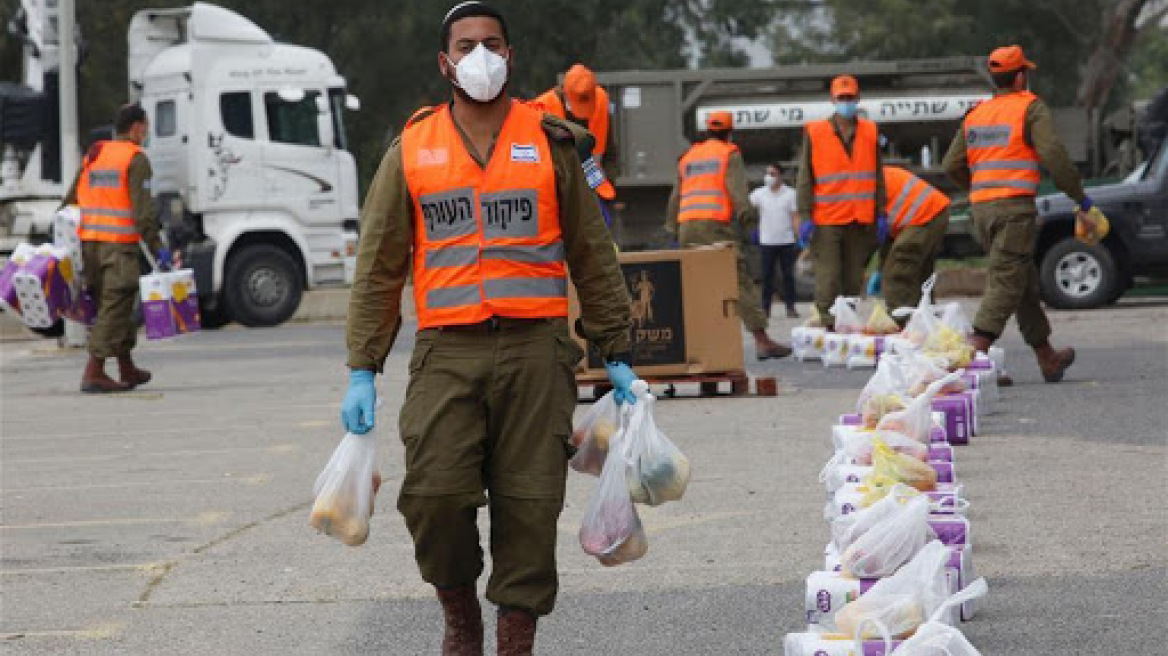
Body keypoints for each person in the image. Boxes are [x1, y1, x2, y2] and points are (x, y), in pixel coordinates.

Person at [341, 3, 636, 654]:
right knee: (434, 496)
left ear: (511, 55)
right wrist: (363, 367)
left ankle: (513, 640)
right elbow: (380, 263)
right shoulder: (412, 149)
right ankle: (460, 616)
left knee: (529, 507)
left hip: (537, 351)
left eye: (492, 44)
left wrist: (618, 350)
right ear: (445, 63)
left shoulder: (551, 144)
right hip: (447, 351)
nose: (481, 56)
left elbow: (591, 252)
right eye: (467, 45)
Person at [942, 45, 1080, 384]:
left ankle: (1047, 357)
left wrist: (978, 187)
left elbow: (950, 164)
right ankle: (970, 355)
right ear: (1021, 76)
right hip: (1014, 209)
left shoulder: (977, 114)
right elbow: (1053, 153)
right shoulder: (1030, 108)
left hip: (982, 210)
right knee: (1007, 281)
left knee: (1022, 280)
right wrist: (1080, 196)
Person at [63, 103, 171, 393]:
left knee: (113, 306)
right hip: (118, 248)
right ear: (136, 127)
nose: (146, 133)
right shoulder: (136, 159)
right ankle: (94, 370)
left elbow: (72, 197)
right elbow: (144, 213)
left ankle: (126, 367)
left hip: (89, 245)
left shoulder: (96, 153)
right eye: (146, 127)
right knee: (116, 305)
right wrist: (158, 248)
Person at [665, 111, 792, 359]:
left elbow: (675, 197)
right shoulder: (729, 154)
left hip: (687, 227)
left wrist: (673, 229)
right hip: (715, 226)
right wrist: (750, 224)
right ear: (729, 132)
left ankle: (698, 347)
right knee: (739, 280)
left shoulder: (689, 156)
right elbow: (738, 193)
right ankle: (762, 340)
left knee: (696, 287)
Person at [795, 74, 887, 329]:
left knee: (852, 279)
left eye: (850, 97)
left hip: (861, 218)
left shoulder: (870, 131)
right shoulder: (815, 132)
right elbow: (805, 177)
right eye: (841, 98)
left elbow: (878, 175)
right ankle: (826, 323)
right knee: (829, 277)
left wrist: (881, 212)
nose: (846, 102)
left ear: (858, 98)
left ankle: (845, 325)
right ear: (832, 100)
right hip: (826, 219)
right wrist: (805, 216)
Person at [534, 63, 618, 220]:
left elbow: (609, 150)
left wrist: (610, 180)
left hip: (594, 188)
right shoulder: (543, 108)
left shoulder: (600, 100)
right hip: (557, 194)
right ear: (565, 93)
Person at [879, 165, 951, 314]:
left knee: (899, 270)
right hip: (932, 212)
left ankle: (902, 321)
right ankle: (924, 320)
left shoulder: (863, 183)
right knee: (919, 274)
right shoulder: (872, 174)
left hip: (925, 215)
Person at [750, 162, 801, 318]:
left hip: (786, 241)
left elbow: (795, 216)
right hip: (766, 242)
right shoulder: (759, 194)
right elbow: (746, 208)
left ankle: (790, 307)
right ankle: (765, 308)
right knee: (767, 276)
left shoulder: (790, 194)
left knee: (788, 276)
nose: (768, 177)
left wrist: (798, 234)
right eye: (767, 174)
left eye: (772, 174)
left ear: (780, 176)